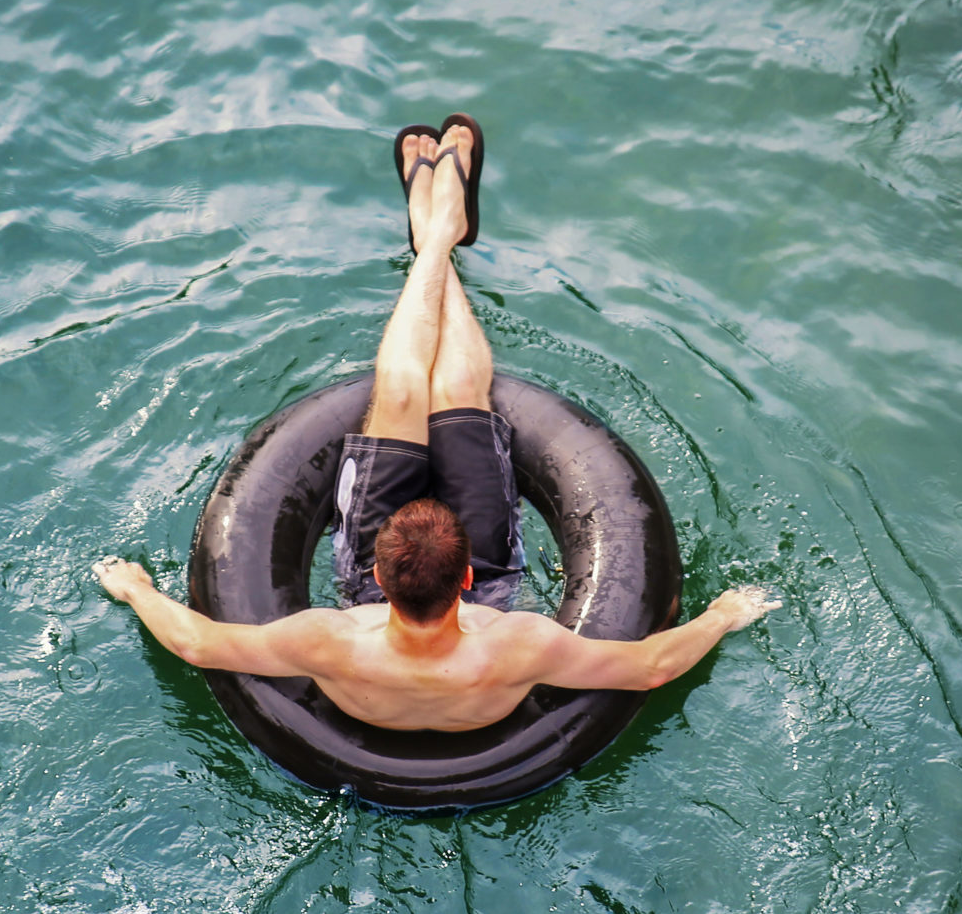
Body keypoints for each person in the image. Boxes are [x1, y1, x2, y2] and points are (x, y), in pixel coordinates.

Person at [93, 117, 779, 733]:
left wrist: (136, 589)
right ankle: (439, 233)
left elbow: (196, 643)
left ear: (380, 579)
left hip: (376, 637)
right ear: (467, 582)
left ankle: (435, 236)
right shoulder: (516, 647)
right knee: (454, 388)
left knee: (398, 388)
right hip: (477, 627)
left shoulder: (330, 640)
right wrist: (723, 614)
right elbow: (653, 666)